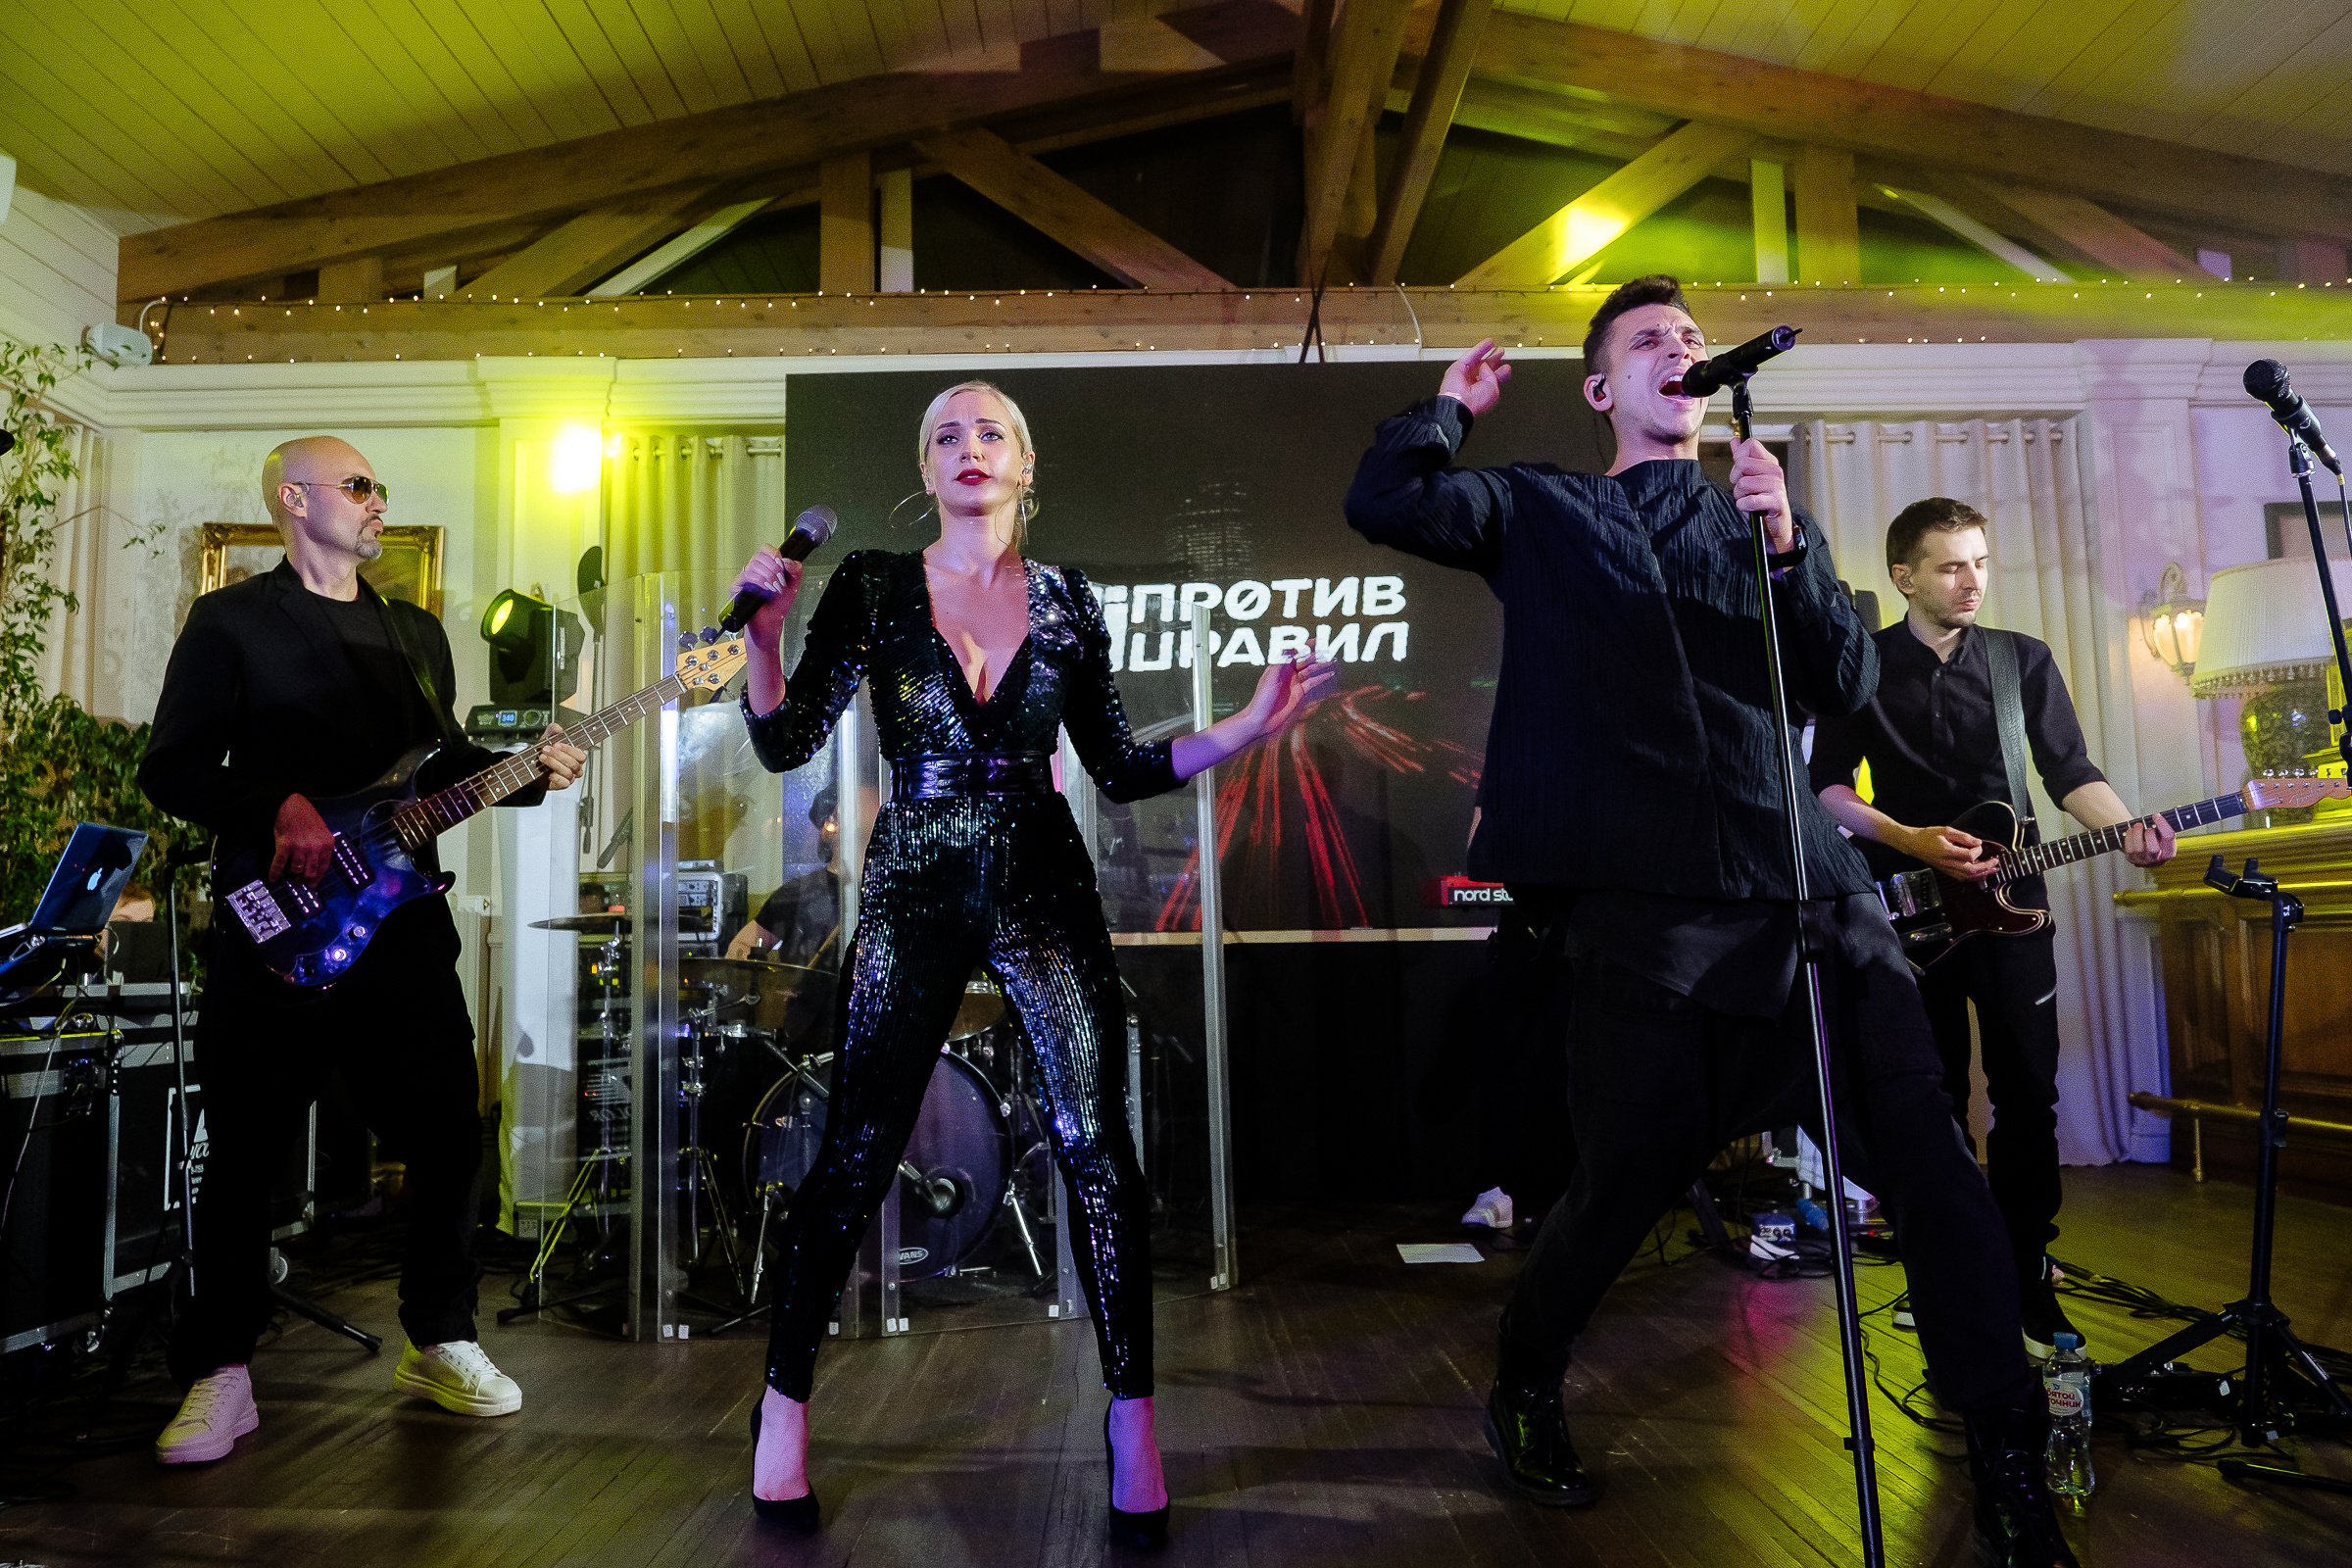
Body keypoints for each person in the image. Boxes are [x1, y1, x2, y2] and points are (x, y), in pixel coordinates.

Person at [1344, 277, 2079, 1566]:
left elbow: (1841, 680)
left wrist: (1788, 545)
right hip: (1648, 917)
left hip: (1812, 900)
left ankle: (2010, 1451)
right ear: (1601, 388)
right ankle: (1526, 1374)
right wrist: (1448, 410)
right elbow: (1386, 500)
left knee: (1930, 1164)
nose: (1678, 349)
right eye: (1648, 341)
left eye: (1689, 336)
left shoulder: (1760, 516)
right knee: (1621, 1186)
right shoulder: (1542, 507)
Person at [730, 380, 1332, 1546]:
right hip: (913, 877)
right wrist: (762, 637)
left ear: (1024, 464)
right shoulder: (870, 585)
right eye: (945, 434)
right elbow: (785, 739)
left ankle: (1133, 1420)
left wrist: (1250, 726)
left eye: (990, 430)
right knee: (855, 1154)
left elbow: (1119, 765)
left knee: (1099, 1147)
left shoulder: (1069, 599)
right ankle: (783, 1407)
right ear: (925, 469)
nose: (969, 445)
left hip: (1043, 882)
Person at [138, 437, 586, 1465]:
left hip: (402, 928)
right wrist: (277, 803)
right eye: (358, 486)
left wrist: (530, 769)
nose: (379, 500)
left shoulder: (414, 632)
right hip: (276, 922)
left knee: (449, 1131)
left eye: (380, 487)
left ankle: (440, 1337)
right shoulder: (230, 621)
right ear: (294, 500)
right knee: (241, 1153)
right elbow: (171, 767)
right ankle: (220, 1371)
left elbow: (439, 770)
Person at [1809, 498, 2176, 1357]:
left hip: (2015, 915)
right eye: (1950, 566)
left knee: (2027, 1097)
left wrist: (2128, 827)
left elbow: (2069, 771)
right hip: (1909, 914)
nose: (1971, 580)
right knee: (1927, 1101)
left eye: (1978, 562)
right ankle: (1944, 1273)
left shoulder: (2022, 660)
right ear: (1904, 577)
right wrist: (1907, 838)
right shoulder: (1861, 663)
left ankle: (2027, 1272)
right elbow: (1827, 785)